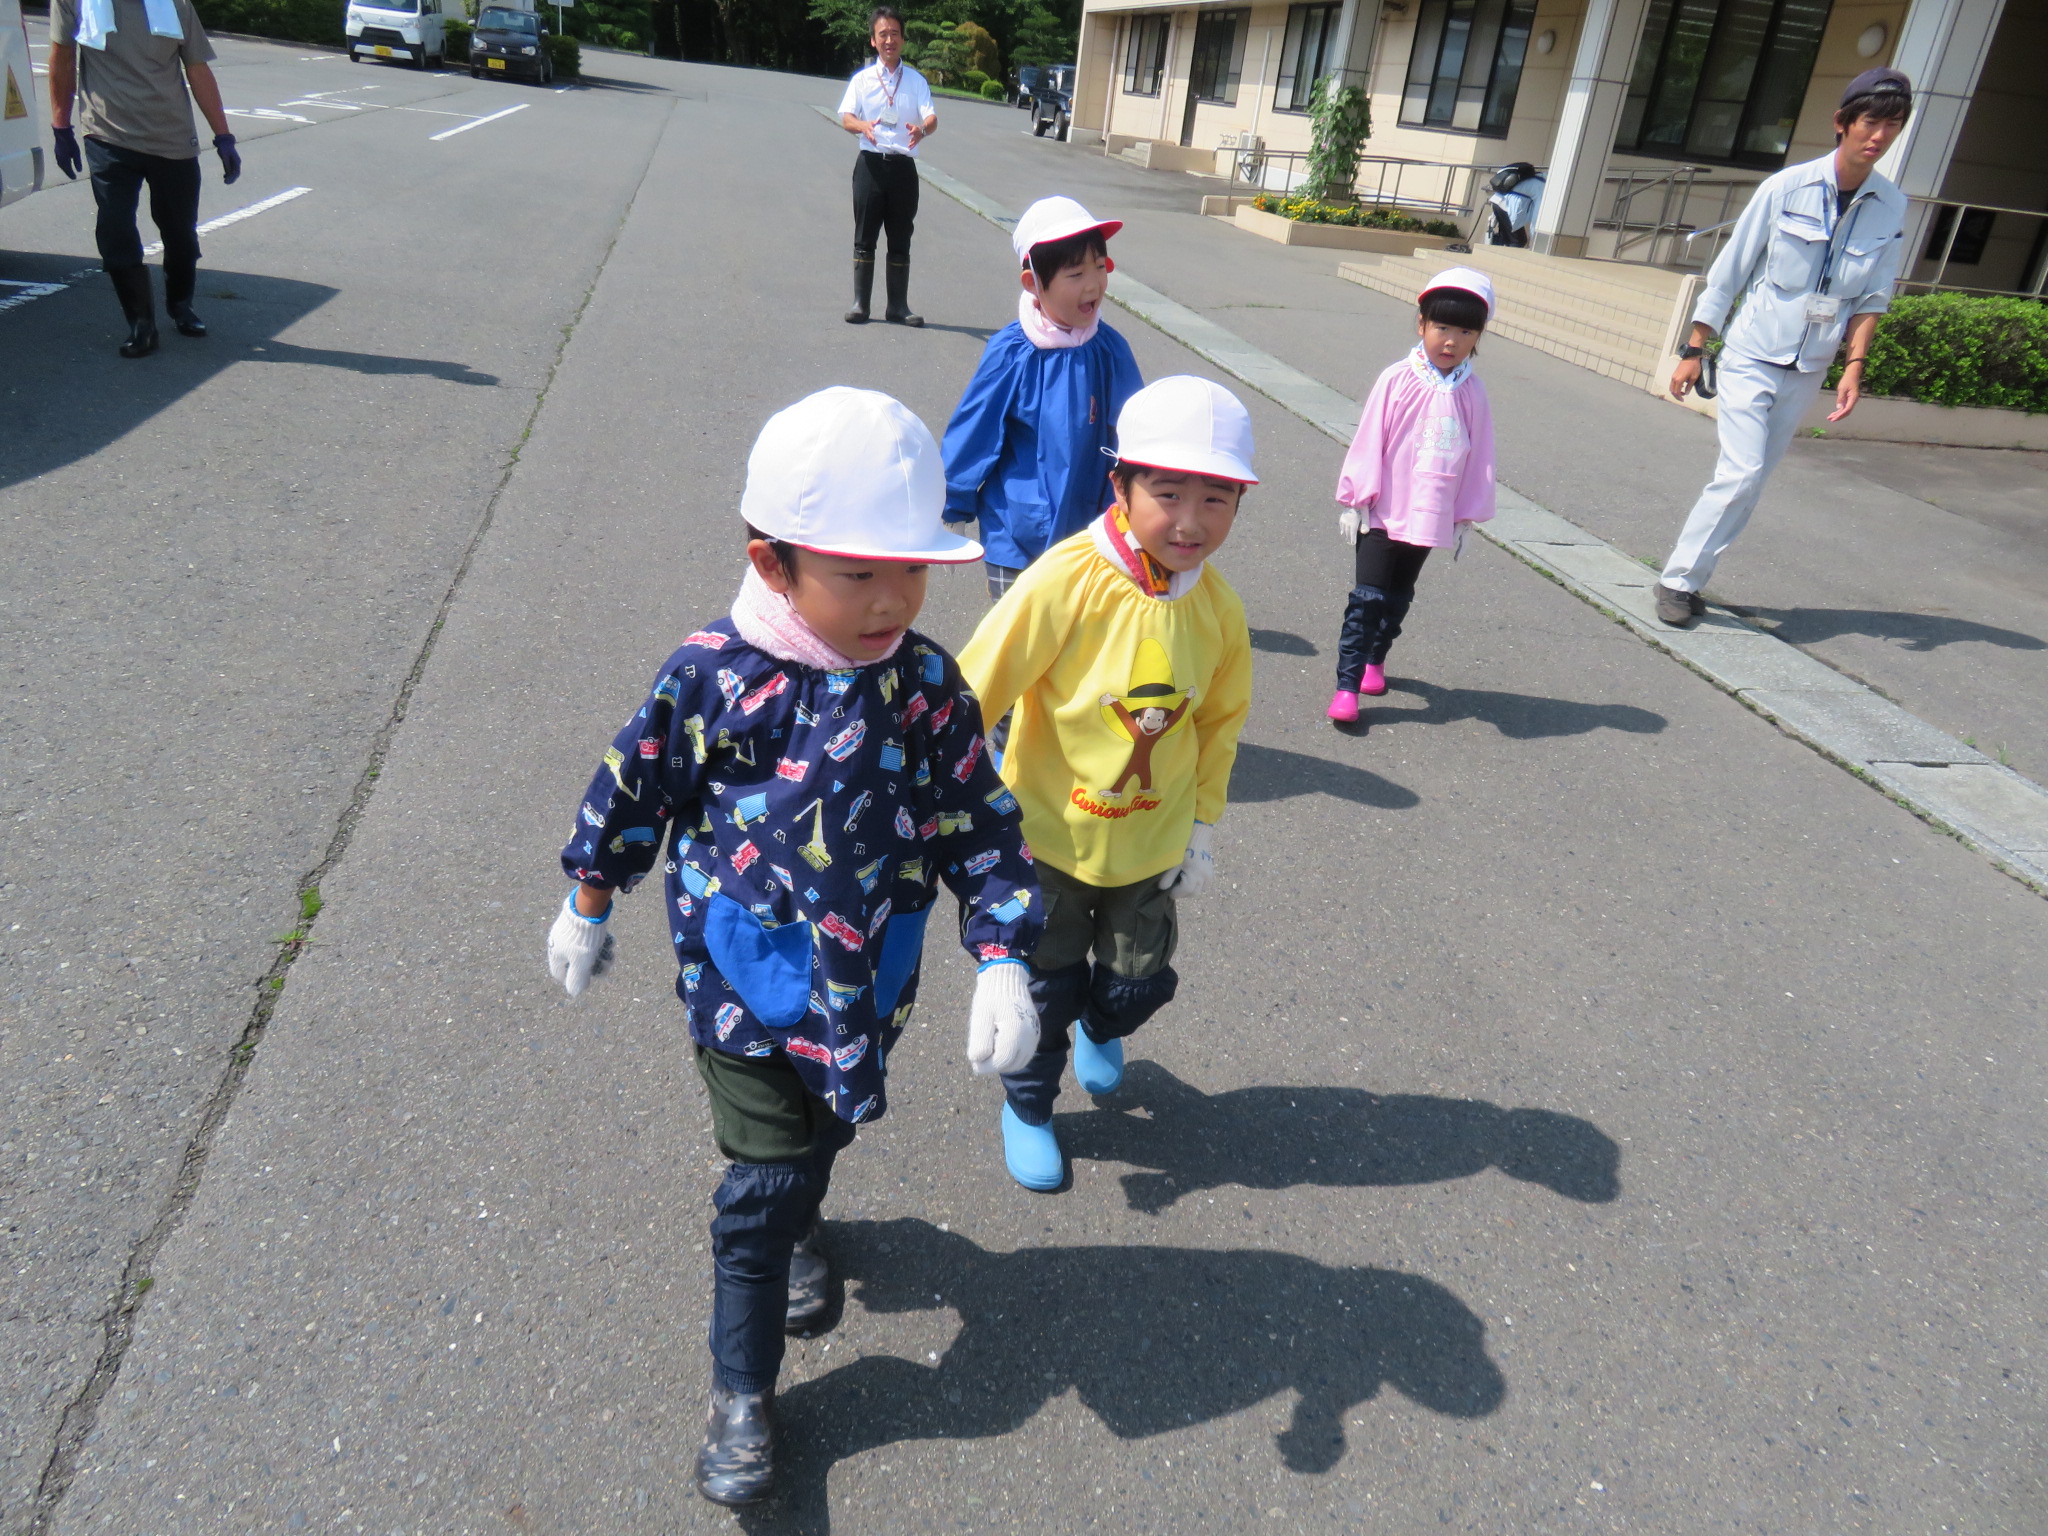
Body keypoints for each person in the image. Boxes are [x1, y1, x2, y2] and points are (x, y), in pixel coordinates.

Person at [545, 388, 1043, 1506]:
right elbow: (634, 785)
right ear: (772, 563)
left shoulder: (924, 685)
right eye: (857, 573)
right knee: (760, 1181)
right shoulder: (713, 673)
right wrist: (589, 896)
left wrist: (1003, 953)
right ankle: (742, 1390)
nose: (891, 600)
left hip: (868, 977)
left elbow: (977, 820)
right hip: (743, 976)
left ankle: (805, 1216)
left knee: (823, 1133)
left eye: (909, 571)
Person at [958, 376, 1255, 1192]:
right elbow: (974, 687)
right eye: (1168, 493)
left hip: (1152, 842)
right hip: (1049, 839)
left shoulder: (1219, 610)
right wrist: (945, 804)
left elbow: (1219, 722)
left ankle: (1104, 1020)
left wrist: (1202, 824)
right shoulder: (1068, 578)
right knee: (1043, 989)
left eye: (1217, 498)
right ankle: (1029, 1108)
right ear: (1120, 485)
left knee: (1136, 981)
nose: (1191, 521)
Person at [1654, 68, 1913, 627]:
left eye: (1892, 125)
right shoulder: (1786, 188)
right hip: (1751, 354)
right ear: (1842, 122)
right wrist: (1694, 348)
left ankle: (1690, 580)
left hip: (1809, 366)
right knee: (1742, 472)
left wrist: (1853, 366)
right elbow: (1731, 269)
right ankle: (1676, 581)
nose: (1880, 135)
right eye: (1871, 121)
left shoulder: (1892, 205)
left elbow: (1873, 295)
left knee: (1752, 482)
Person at [941, 195, 1144, 601]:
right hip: (1016, 533)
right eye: (1075, 274)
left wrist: (1146, 503)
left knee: (1077, 633)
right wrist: (953, 502)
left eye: (1099, 267)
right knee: (1018, 632)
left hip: (1092, 534)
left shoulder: (1109, 349)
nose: (1093, 284)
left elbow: (1137, 432)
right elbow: (976, 430)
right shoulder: (1012, 352)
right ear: (1033, 283)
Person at [1326, 268, 1496, 724]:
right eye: (1442, 327)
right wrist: (1357, 498)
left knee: (1399, 596)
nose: (1452, 341)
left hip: (1431, 513)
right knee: (1367, 598)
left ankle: (1376, 659)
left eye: (1466, 332)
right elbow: (1370, 438)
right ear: (1421, 324)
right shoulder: (1397, 379)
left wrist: (1465, 516)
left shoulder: (1472, 392)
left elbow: (1480, 455)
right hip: (1382, 510)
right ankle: (1347, 685)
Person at [46, 0, 241, 358]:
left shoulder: (176, 4)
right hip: (107, 134)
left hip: (172, 137)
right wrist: (61, 126)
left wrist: (223, 135)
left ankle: (180, 304)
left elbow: (197, 68)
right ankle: (141, 324)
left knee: (180, 234)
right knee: (115, 229)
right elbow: (62, 56)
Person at [836, 6, 936, 327]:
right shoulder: (862, 80)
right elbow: (846, 117)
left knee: (901, 237)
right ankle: (860, 304)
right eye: (883, 34)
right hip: (870, 165)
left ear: (903, 39)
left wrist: (923, 130)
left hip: (903, 169)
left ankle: (898, 307)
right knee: (864, 236)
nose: (889, 40)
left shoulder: (916, 81)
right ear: (873, 40)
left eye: (895, 33)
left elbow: (931, 117)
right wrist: (862, 125)